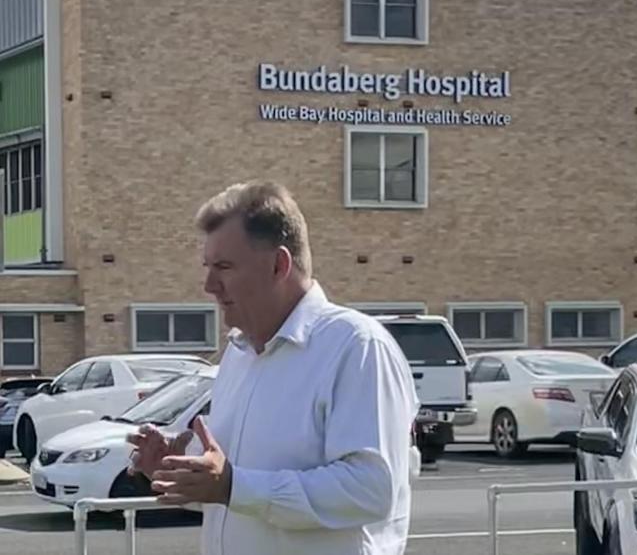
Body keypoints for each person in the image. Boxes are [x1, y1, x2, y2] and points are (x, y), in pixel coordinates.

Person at [127, 180, 419, 555]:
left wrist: (233, 485)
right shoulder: (239, 353)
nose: (209, 285)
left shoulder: (356, 346)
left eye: (225, 266)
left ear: (279, 265)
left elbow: (369, 491)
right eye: (208, 266)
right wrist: (183, 473)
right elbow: (237, 495)